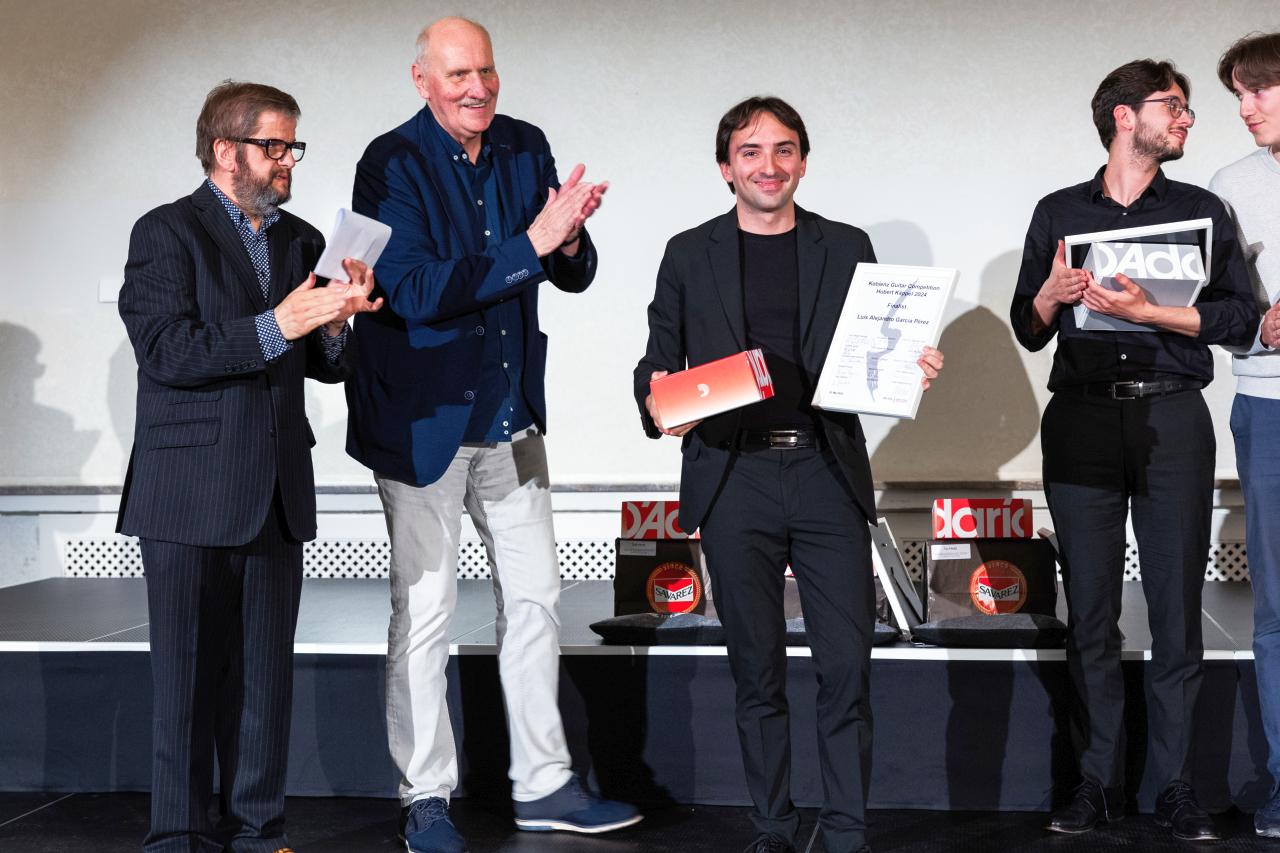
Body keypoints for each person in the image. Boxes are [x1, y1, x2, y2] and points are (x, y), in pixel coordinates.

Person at [344, 16, 638, 853]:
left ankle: (544, 784)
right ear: (422, 80)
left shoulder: (524, 144)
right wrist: (532, 244)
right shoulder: (390, 162)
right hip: (422, 422)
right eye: (458, 74)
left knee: (538, 599)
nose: (478, 88)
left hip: (512, 416)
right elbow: (413, 290)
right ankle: (425, 797)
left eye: (487, 71)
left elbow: (570, 271)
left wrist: (567, 239)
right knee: (426, 612)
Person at [634, 95, 943, 853]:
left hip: (824, 471)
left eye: (783, 150)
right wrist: (656, 399)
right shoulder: (688, 252)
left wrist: (910, 367)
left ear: (803, 162)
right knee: (756, 671)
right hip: (732, 475)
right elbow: (658, 359)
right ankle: (772, 826)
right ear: (725, 167)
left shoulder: (846, 245)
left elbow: (876, 347)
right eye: (750, 152)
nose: (768, 166)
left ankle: (845, 831)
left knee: (847, 669)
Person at [117, 80, 381, 852]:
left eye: (294, 146)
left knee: (266, 681)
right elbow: (167, 350)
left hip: (274, 491)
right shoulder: (166, 232)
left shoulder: (304, 240)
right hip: (187, 492)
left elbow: (326, 366)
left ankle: (261, 833)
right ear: (225, 150)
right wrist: (279, 323)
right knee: (187, 683)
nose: (288, 159)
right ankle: (179, 836)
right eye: (274, 145)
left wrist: (335, 323)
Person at [1009, 59, 1257, 841]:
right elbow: (1027, 326)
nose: (1187, 119)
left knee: (1177, 605)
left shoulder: (1199, 209)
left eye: (1186, 109)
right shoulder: (1059, 211)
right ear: (1124, 116)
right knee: (1090, 609)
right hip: (1081, 419)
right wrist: (1049, 296)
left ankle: (1177, 785)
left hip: (1172, 416)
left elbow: (1240, 318)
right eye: (1172, 106)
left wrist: (1157, 314)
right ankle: (1095, 782)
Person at [1210, 31, 1280, 840]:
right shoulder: (1230, 186)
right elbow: (1216, 309)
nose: (1246, 107)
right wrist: (1261, 328)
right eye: (1238, 93)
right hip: (1268, 405)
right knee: (1277, 609)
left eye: (1259, 89)